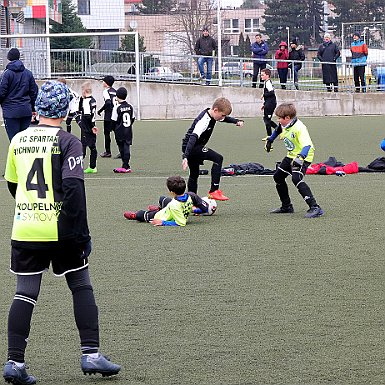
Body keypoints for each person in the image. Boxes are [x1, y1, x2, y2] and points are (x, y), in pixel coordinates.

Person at [2, 80, 121, 385]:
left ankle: (14, 362)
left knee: (24, 294)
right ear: (65, 108)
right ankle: (91, 353)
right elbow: (73, 190)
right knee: (81, 285)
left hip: (26, 228)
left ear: (38, 107)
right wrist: (81, 234)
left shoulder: (18, 140)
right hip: (63, 229)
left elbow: (13, 185)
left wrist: (32, 209)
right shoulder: (69, 141)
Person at [262, 102, 324, 218]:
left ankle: (315, 207)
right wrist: (270, 139)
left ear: (288, 118)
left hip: (304, 156)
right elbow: (278, 130)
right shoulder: (285, 124)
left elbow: (307, 145)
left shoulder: (299, 128)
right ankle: (287, 206)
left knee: (296, 178)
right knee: (278, 177)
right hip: (291, 155)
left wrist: (300, 157)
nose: (278, 120)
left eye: (280, 118)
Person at [181, 97, 244, 201]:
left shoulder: (213, 114)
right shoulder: (204, 120)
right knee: (218, 158)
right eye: (222, 115)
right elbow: (193, 137)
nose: (223, 117)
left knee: (194, 174)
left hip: (191, 146)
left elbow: (225, 119)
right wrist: (185, 156)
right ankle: (214, 191)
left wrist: (236, 121)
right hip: (192, 147)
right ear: (215, 110)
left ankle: (192, 201)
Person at [123, 176, 209, 226]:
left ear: (172, 192)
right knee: (162, 199)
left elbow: (181, 223)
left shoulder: (174, 205)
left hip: (162, 216)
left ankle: (135, 215)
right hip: (173, 208)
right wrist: (195, 210)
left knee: (141, 214)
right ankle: (158, 208)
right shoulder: (191, 195)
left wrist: (162, 222)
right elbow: (205, 208)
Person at [0, 47, 38, 141]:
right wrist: (33, 108)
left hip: (11, 111)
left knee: (14, 141)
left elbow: (1, 92)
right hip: (26, 110)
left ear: (9, 58)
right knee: (25, 141)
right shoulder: (28, 73)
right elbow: (34, 92)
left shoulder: (6, 74)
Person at [76, 81, 98, 174]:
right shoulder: (93, 100)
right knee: (91, 147)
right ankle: (92, 166)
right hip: (90, 126)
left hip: (87, 127)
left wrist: (91, 126)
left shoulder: (86, 101)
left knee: (84, 146)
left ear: (84, 91)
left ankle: (84, 166)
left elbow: (87, 114)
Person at [111, 87, 135, 173]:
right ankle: (126, 165)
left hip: (119, 131)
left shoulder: (117, 107)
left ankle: (125, 166)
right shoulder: (130, 107)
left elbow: (113, 121)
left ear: (117, 96)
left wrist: (114, 129)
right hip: (128, 130)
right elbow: (132, 118)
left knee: (122, 149)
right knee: (127, 147)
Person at [98, 75, 117, 157]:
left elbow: (108, 102)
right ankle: (122, 151)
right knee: (117, 134)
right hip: (116, 115)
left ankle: (108, 152)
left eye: (103, 81)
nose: (102, 83)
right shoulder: (115, 91)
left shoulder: (106, 91)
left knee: (107, 133)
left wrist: (100, 110)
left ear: (106, 83)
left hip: (109, 116)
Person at [260, 68, 277, 137]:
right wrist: (264, 104)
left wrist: (263, 95)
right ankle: (279, 130)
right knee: (267, 119)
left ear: (267, 75)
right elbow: (268, 96)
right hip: (268, 103)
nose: (261, 76)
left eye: (262, 75)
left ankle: (270, 136)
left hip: (271, 104)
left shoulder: (268, 83)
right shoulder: (266, 82)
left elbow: (272, 93)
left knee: (267, 120)